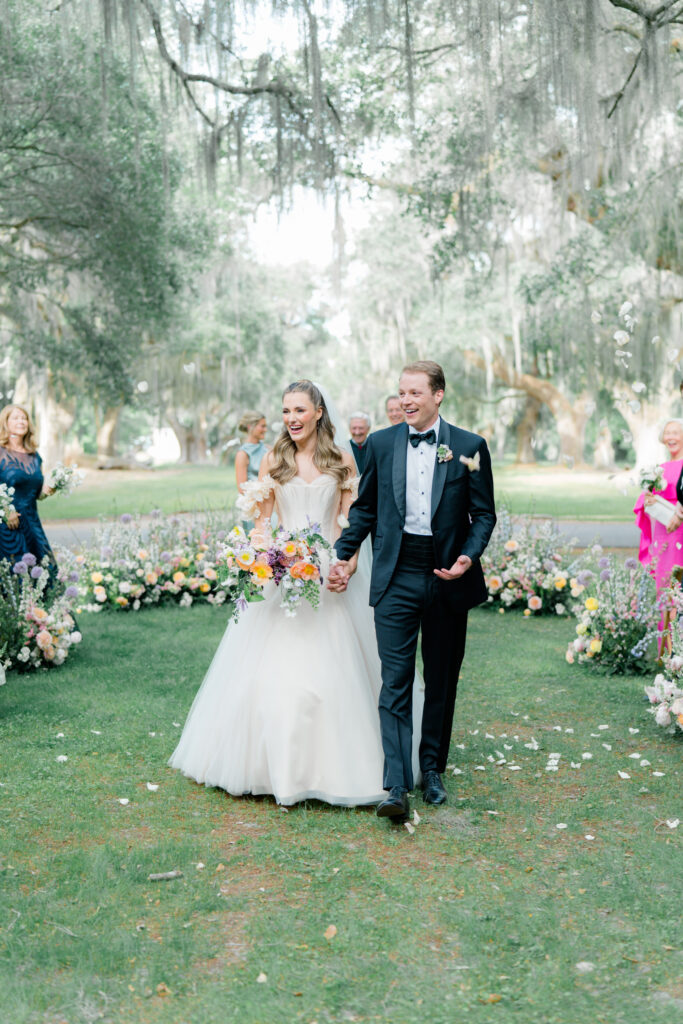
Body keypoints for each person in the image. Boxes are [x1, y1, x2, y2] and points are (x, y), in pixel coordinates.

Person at [169, 380, 422, 807]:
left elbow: (351, 523)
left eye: (300, 410)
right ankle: (269, 768)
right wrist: (259, 560)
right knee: (275, 676)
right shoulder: (273, 458)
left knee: (335, 673)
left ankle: (343, 769)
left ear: (319, 412)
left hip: (328, 576)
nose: (292, 419)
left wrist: (349, 564)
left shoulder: (342, 459)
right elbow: (263, 523)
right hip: (282, 572)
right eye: (286, 411)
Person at [330, 361, 496, 822]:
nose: (406, 400)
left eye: (415, 393)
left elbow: (484, 514)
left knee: (441, 678)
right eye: (401, 393)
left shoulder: (469, 447)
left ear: (437, 395)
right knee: (395, 680)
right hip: (396, 574)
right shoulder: (381, 444)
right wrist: (343, 554)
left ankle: (433, 769)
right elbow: (364, 511)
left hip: (448, 576)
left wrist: (467, 557)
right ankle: (397, 784)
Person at [0, 405, 55, 568]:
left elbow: (37, 494)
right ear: (5, 422)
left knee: (44, 568)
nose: (21, 421)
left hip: (32, 523)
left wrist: (48, 490)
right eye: (16, 418)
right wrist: (5, 510)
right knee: (14, 572)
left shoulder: (34, 456)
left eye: (24, 418)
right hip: (7, 525)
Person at [634, 419, 683, 595]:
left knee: (678, 581)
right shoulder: (658, 469)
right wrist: (647, 500)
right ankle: (665, 623)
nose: (670, 437)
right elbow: (646, 498)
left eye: (675, 433)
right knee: (664, 580)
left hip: (681, 529)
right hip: (663, 532)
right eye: (667, 433)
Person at [234, 411, 268, 530]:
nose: (265, 429)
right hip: (255, 508)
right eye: (262, 426)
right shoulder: (243, 454)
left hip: (271, 504)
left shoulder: (267, 449)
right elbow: (242, 488)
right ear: (250, 427)